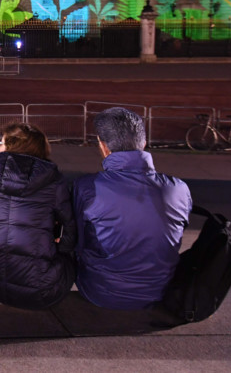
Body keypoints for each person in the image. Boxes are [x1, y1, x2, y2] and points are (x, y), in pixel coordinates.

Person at [74, 107, 192, 310]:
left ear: (103, 146)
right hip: (161, 290)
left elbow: (76, 242)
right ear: (143, 143)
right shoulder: (179, 188)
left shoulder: (87, 187)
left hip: (101, 291)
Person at [0, 122, 76, 310]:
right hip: (43, 290)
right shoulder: (53, 179)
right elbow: (69, 227)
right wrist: (62, 250)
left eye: (2, 142)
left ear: (13, 146)